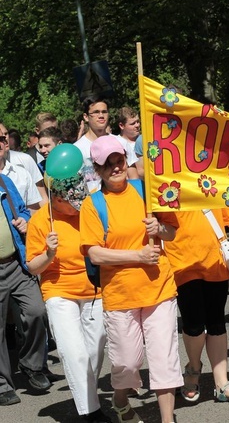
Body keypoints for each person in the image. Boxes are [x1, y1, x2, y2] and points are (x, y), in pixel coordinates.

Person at [79, 135, 180, 423]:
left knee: (164, 358)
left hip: (159, 288)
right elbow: (95, 254)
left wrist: (159, 227)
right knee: (127, 362)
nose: (115, 167)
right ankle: (120, 397)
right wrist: (137, 256)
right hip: (121, 294)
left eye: (119, 160)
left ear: (126, 159)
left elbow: (172, 231)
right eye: (107, 164)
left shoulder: (146, 191)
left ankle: (167, 419)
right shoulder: (93, 205)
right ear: (97, 170)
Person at [26, 174, 110, 422]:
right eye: (70, 202)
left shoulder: (89, 209)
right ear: (56, 198)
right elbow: (33, 267)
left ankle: (86, 396)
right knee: (75, 353)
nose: (76, 206)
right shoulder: (42, 220)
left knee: (95, 350)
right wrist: (49, 253)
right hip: (59, 292)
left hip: (94, 289)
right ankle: (91, 413)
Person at [163, 208, 229, 404]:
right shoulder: (165, 180)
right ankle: (194, 369)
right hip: (181, 262)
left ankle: (222, 384)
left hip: (215, 261)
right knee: (194, 325)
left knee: (216, 322)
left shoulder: (213, 178)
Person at [0, 174, 48, 405]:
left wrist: (24, 221)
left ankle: (31, 364)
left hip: (16, 262)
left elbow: (23, 211)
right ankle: (2, 385)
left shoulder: (4, 181)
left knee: (37, 310)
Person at [74, 96, 138, 194]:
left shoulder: (121, 142)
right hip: (92, 204)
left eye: (104, 112)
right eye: (96, 112)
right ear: (86, 117)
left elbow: (134, 178)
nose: (101, 115)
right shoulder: (77, 149)